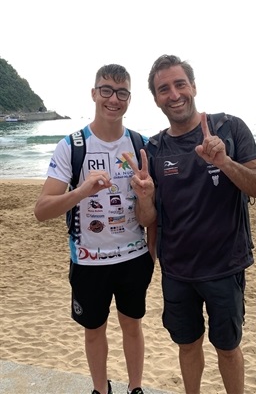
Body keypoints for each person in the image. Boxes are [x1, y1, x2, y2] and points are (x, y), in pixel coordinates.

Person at [123, 55, 256, 394]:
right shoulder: (155, 148)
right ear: (156, 98)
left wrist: (225, 161)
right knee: (188, 345)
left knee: (228, 347)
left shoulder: (229, 128)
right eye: (164, 89)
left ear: (193, 86)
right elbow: (147, 220)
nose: (174, 94)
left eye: (180, 84)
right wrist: (145, 195)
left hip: (225, 266)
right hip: (177, 271)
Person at [34, 64, 155, 394]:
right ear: (93, 93)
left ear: (129, 98)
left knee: (132, 325)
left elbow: (149, 219)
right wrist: (80, 192)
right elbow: (42, 210)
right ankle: (101, 390)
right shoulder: (71, 146)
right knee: (93, 330)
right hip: (88, 260)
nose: (113, 99)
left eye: (122, 93)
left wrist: (146, 197)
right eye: (106, 90)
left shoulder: (141, 145)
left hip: (134, 256)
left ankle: (135, 388)